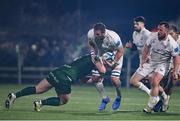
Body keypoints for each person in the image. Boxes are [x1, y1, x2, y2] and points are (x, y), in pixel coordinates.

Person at [5, 54, 107, 112]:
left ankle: (14, 95)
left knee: (38, 89)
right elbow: (103, 70)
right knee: (63, 100)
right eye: (107, 63)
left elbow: (83, 79)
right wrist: (102, 74)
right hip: (65, 78)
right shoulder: (96, 58)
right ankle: (40, 103)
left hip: (58, 71)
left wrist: (95, 79)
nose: (106, 65)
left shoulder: (86, 60)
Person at [137, 22, 179, 113]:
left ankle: (150, 106)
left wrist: (175, 70)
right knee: (152, 81)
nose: (158, 31)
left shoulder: (172, 43)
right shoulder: (153, 36)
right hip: (152, 62)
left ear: (166, 31)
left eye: (161, 30)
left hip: (164, 64)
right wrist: (143, 61)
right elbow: (146, 47)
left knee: (156, 80)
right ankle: (164, 97)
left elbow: (176, 57)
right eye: (158, 29)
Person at [87, 22, 124, 111]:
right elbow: (91, 44)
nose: (95, 35)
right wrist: (93, 55)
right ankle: (105, 98)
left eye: (98, 34)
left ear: (103, 33)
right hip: (101, 54)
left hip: (115, 54)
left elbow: (121, 50)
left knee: (114, 80)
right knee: (96, 78)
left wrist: (113, 62)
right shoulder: (91, 34)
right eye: (95, 33)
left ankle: (118, 97)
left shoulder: (114, 37)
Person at [127, 16, 151, 96]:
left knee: (134, 81)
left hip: (150, 62)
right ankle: (162, 98)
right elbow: (136, 47)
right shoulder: (134, 33)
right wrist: (131, 47)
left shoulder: (147, 34)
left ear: (142, 24)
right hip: (142, 61)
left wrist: (150, 56)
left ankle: (154, 97)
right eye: (134, 24)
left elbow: (155, 46)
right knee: (151, 83)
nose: (135, 25)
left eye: (137, 24)